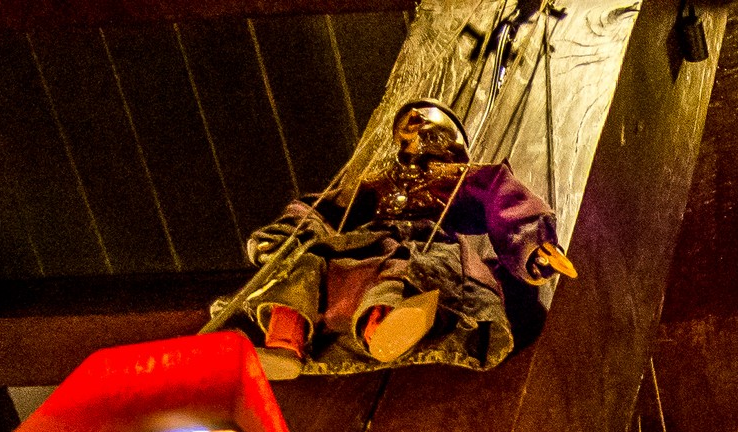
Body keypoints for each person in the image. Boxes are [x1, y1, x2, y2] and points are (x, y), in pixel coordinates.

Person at [215, 100, 576, 376]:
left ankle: (384, 331)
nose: (416, 121)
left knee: (403, 270)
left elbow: (504, 198)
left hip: (426, 244)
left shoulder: (462, 177)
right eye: (409, 120)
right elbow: (322, 208)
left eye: (426, 117)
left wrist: (532, 243)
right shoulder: (376, 183)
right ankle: (284, 342)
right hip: (365, 248)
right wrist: (284, 235)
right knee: (307, 265)